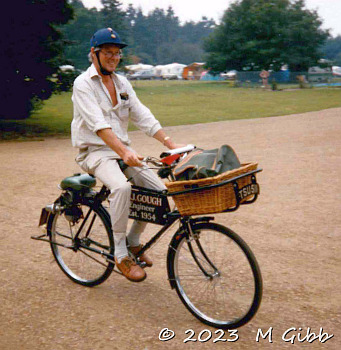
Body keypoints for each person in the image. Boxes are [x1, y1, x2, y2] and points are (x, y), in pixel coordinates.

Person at [71, 27, 183, 282]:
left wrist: (170, 143)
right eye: (107, 52)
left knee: (158, 191)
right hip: (95, 152)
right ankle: (119, 252)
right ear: (94, 53)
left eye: (117, 53)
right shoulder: (82, 84)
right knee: (121, 188)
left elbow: (143, 116)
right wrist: (124, 152)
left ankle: (133, 240)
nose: (113, 57)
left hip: (121, 151)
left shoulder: (122, 83)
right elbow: (99, 126)